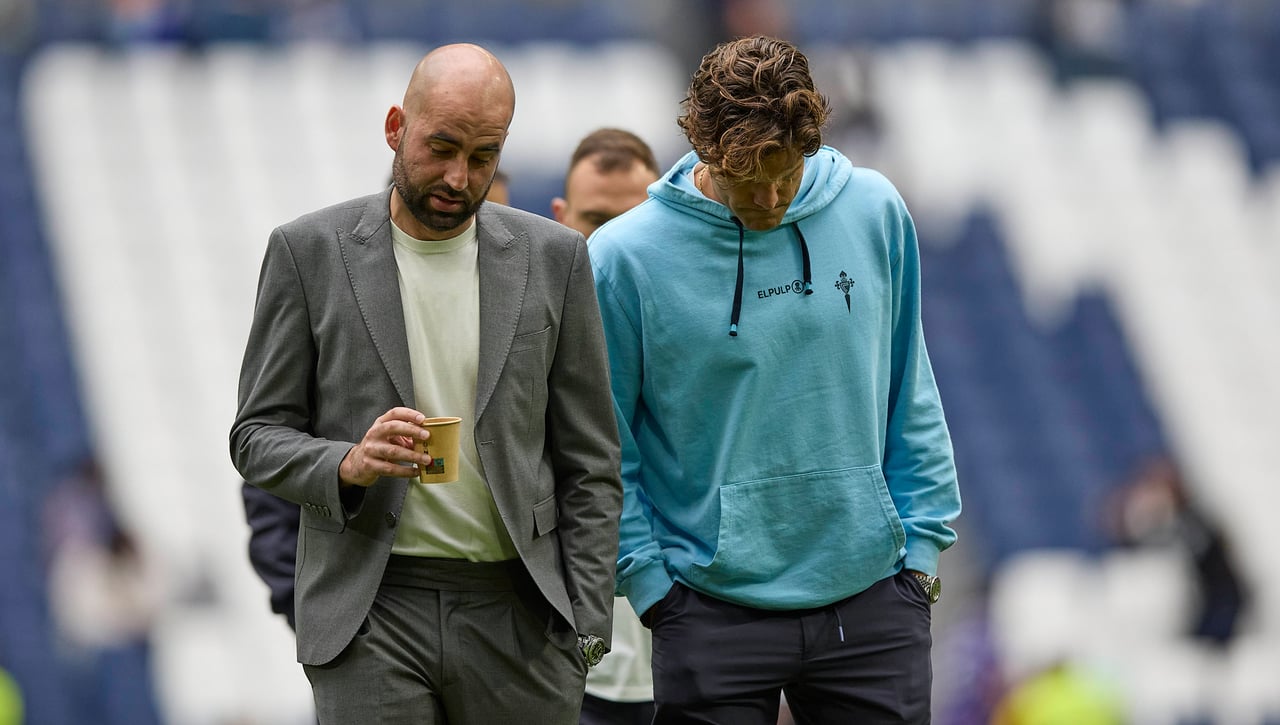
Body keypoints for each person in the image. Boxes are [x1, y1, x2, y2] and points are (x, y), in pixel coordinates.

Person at [230, 43, 623, 725]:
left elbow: (591, 459)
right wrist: (346, 464)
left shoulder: (557, 259)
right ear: (394, 128)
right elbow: (255, 437)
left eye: (483, 156)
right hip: (374, 605)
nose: (458, 175)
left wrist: (585, 627)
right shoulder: (308, 252)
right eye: (440, 147)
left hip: (521, 614)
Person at [587, 36, 962, 724]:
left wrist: (921, 558)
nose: (771, 197)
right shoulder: (621, 260)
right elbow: (604, 448)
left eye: (787, 172)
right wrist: (651, 587)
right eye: (747, 178)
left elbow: (910, 384)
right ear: (704, 151)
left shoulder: (874, 210)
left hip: (874, 599)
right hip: (707, 607)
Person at [239, 177, 514, 634]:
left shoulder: (532, 291)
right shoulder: (327, 279)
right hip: (364, 611)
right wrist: (323, 616)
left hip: (503, 607)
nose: (474, 233)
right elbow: (264, 447)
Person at [552, 128, 661, 725]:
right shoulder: (518, 354)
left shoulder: (710, 350)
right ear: (561, 219)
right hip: (561, 675)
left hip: (692, 664)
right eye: (597, 220)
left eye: (633, 221)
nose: (614, 243)